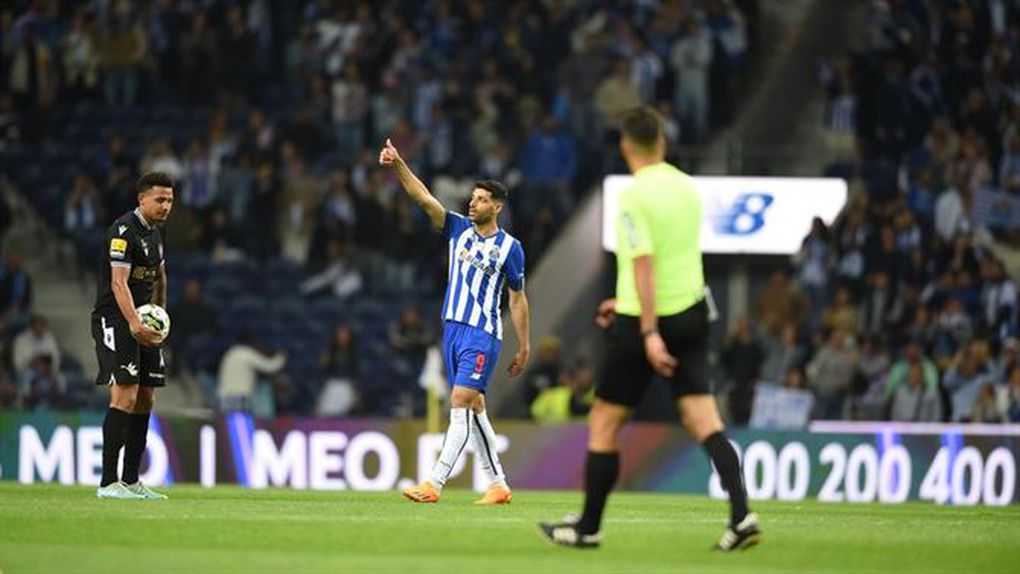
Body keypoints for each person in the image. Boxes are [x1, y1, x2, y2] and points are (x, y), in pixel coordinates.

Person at [539, 106, 758, 551]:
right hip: (692, 315)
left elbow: (644, 263)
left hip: (650, 322)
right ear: (662, 142)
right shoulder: (688, 188)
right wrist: (624, 302)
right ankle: (742, 517)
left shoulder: (634, 196)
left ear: (625, 146)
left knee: (605, 419)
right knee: (704, 419)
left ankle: (588, 527)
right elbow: (675, 259)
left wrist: (647, 329)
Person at [379, 138, 530, 506]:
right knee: (474, 408)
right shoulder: (457, 229)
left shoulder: (510, 248)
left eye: (481, 199)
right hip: (452, 331)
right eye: (472, 198)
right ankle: (498, 485)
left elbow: (517, 298)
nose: (472, 203)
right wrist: (398, 164)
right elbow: (423, 198)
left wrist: (524, 345)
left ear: (496, 207)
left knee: (460, 401)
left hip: (482, 333)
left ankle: (435, 482)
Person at [91, 173, 174, 500]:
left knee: (146, 398)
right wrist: (134, 323)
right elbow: (118, 283)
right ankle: (108, 483)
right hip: (116, 319)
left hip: (143, 321)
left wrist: (161, 316)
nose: (166, 206)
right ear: (142, 199)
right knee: (124, 394)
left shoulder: (156, 233)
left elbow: (160, 276)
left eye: (170, 200)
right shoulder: (123, 232)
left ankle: (131, 479)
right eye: (160, 199)